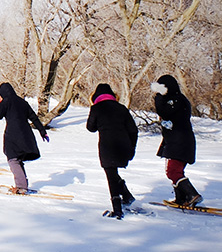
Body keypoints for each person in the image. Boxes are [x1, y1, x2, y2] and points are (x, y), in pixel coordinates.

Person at [86, 83, 139, 219]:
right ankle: (126, 196)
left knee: (111, 174)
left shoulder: (96, 108)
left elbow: (90, 128)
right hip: (124, 145)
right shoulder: (121, 108)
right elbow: (133, 130)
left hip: (107, 146)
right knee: (113, 173)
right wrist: (132, 147)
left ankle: (117, 210)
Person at [152, 74, 202, 206]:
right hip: (179, 140)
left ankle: (192, 194)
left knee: (172, 171)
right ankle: (181, 198)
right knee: (176, 171)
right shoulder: (178, 99)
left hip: (179, 141)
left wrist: (158, 98)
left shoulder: (175, 100)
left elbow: (164, 112)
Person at [0, 82, 48, 193]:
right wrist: (42, 131)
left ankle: (21, 187)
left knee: (13, 159)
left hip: (13, 134)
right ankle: (22, 184)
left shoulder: (6, 102)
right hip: (26, 134)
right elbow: (34, 118)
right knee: (17, 158)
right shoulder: (23, 102)